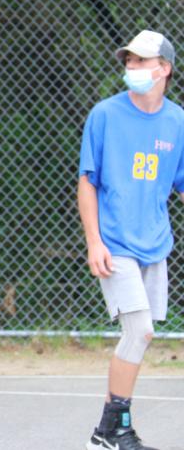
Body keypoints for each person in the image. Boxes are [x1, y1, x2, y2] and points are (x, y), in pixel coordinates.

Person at [78, 29, 184, 450]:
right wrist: (94, 242)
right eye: (129, 60)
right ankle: (115, 430)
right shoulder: (105, 114)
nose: (132, 67)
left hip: (154, 243)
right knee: (139, 331)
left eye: (142, 60)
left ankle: (106, 433)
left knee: (139, 336)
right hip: (115, 242)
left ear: (164, 68)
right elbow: (87, 182)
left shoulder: (177, 121)